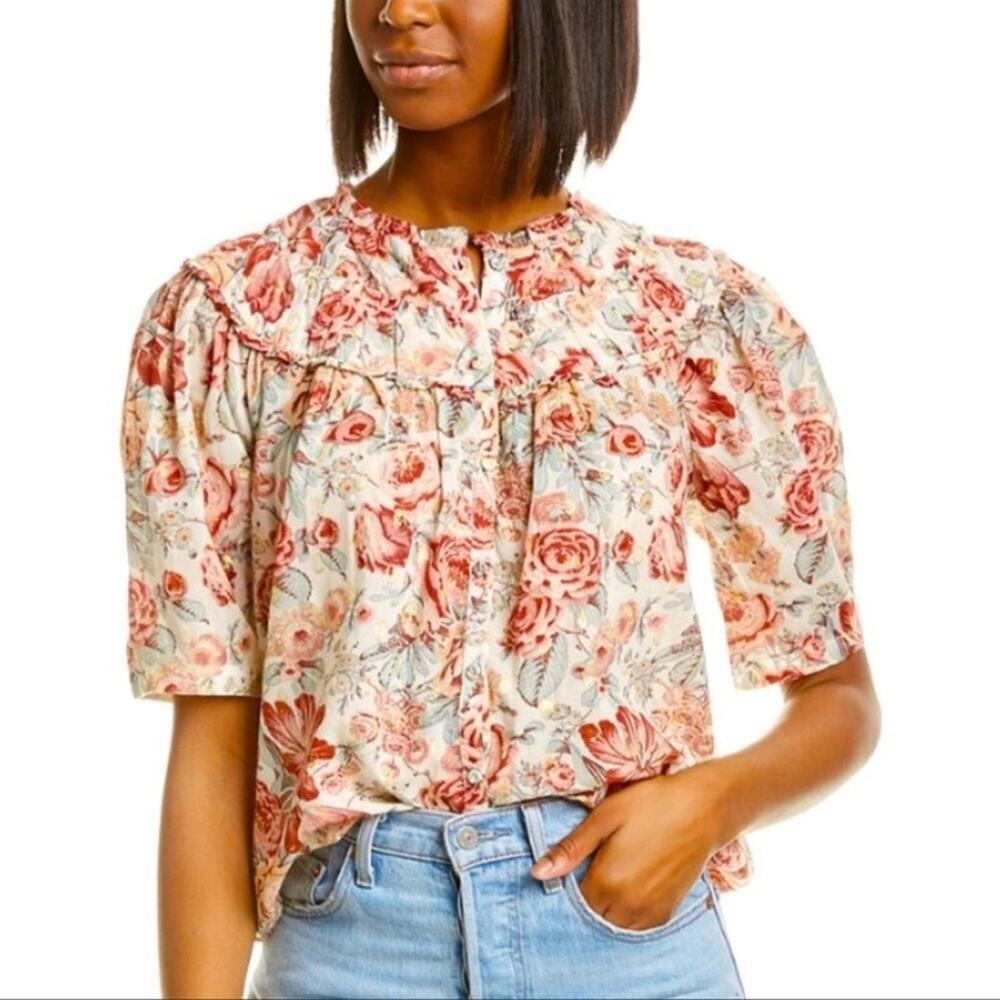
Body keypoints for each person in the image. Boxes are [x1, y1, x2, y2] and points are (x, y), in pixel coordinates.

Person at [118, 1, 881, 997]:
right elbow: (212, 740)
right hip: (353, 951)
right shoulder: (236, 316)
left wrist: (711, 801)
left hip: (630, 941)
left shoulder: (698, 316)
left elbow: (839, 700)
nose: (398, 9)